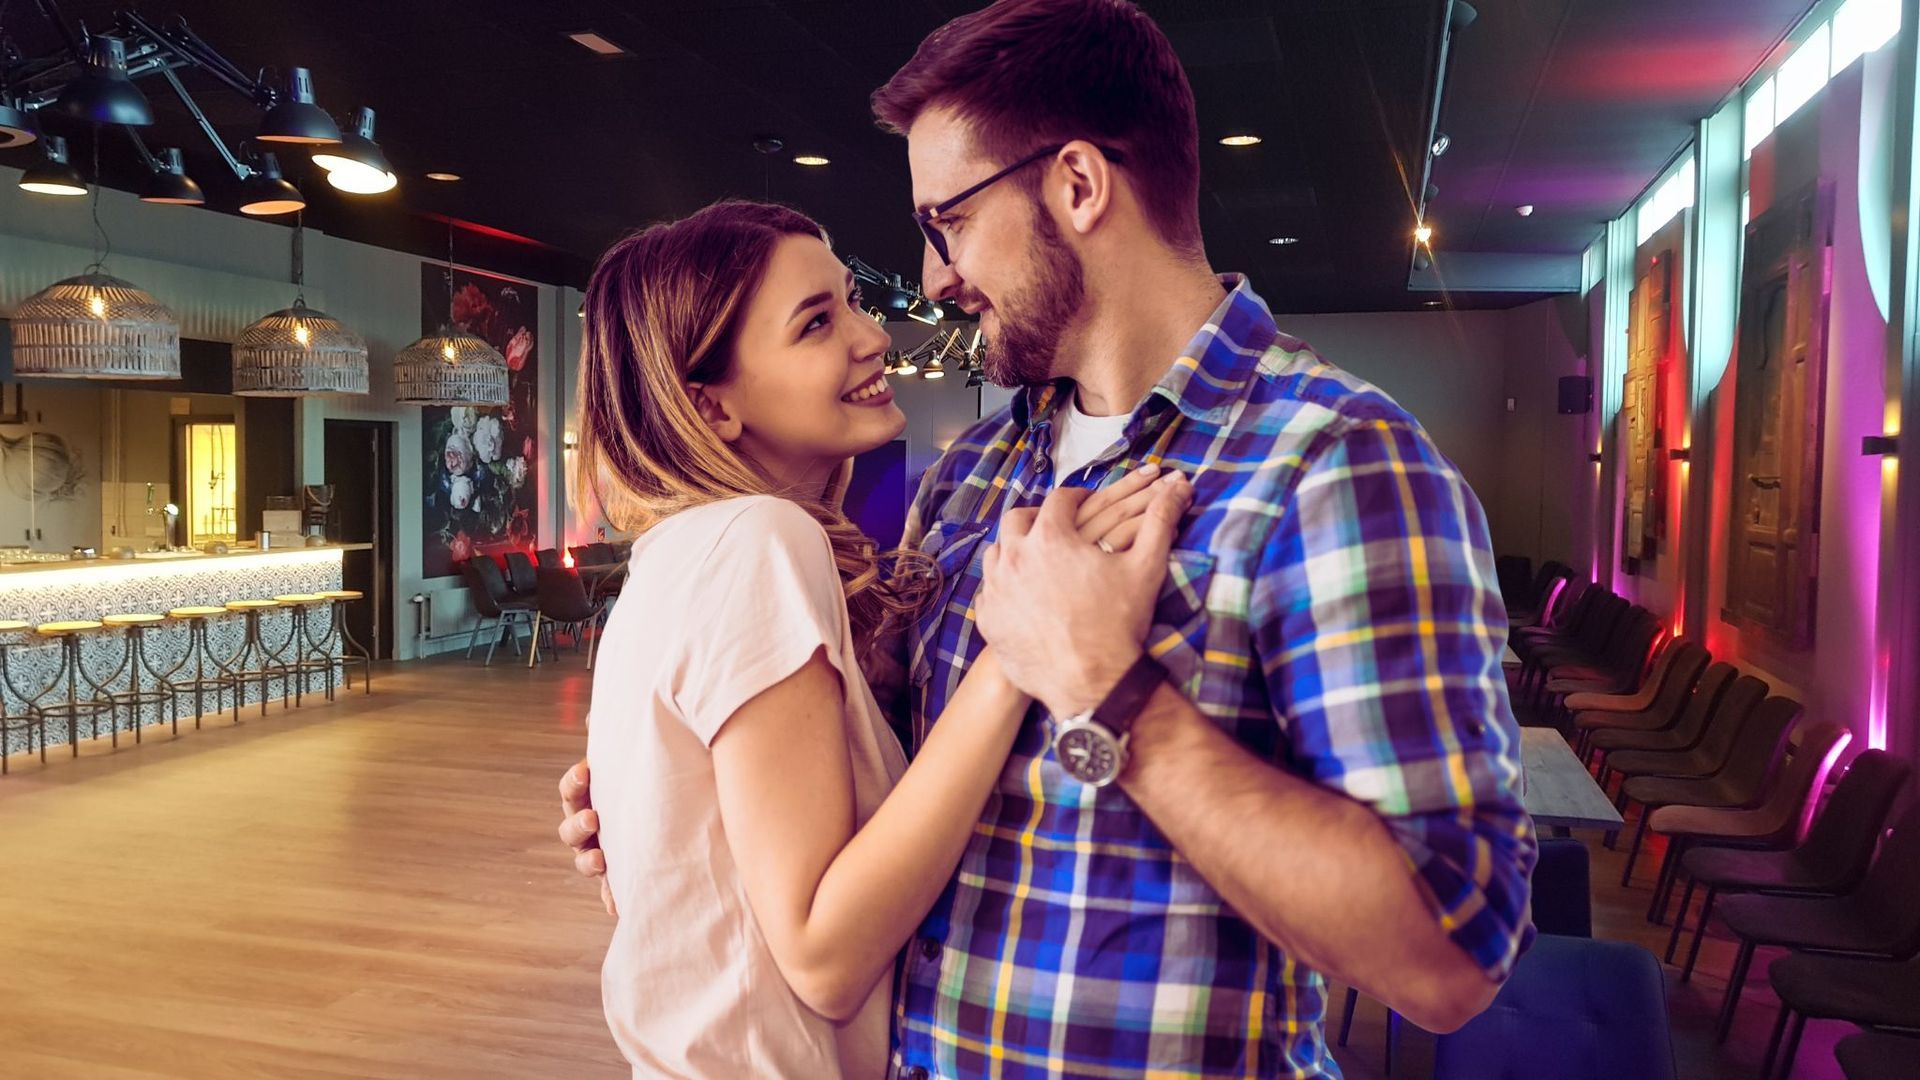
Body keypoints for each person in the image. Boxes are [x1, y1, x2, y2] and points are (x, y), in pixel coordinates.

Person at [562, 1, 1537, 1075]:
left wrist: (1111, 692)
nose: (931, 279)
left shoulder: (1337, 464)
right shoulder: (968, 480)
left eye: (949, 223)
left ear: (1077, 185)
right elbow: (865, 802)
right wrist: (684, 802)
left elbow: (1450, 959)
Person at [568, 199, 1192, 1079]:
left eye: (853, 301)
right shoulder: (758, 540)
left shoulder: (679, 556)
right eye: (815, 323)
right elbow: (824, 961)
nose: (872, 338)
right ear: (711, 407)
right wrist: (1017, 644)